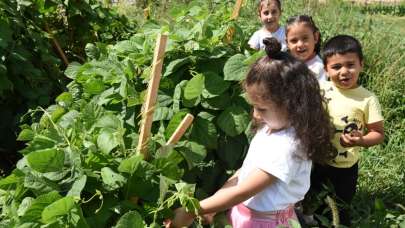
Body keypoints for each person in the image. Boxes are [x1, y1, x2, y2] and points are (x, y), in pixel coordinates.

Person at [165, 37, 337, 228]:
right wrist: (214, 203)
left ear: (293, 105)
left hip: (265, 222)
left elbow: (243, 191)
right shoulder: (272, 128)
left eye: (261, 109)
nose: (255, 115)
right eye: (253, 107)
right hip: (246, 214)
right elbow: (244, 173)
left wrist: (192, 209)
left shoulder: (287, 147)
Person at [308, 35, 385, 226]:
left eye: (350, 65)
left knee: (342, 206)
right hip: (318, 159)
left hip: (345, 167)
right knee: (314, 200)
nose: (344, 72)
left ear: (361, 65)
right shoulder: (320, 89)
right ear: (325, 69)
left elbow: (378, 133)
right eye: (336, 67)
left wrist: (361, 140)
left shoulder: (367, 99)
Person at [286, 15, 327, 81]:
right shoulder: (285, 62)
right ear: (287, 43)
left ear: (315, 37)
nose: (300, 45)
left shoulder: (319, 67)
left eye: (305, 38)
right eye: (294, 41)